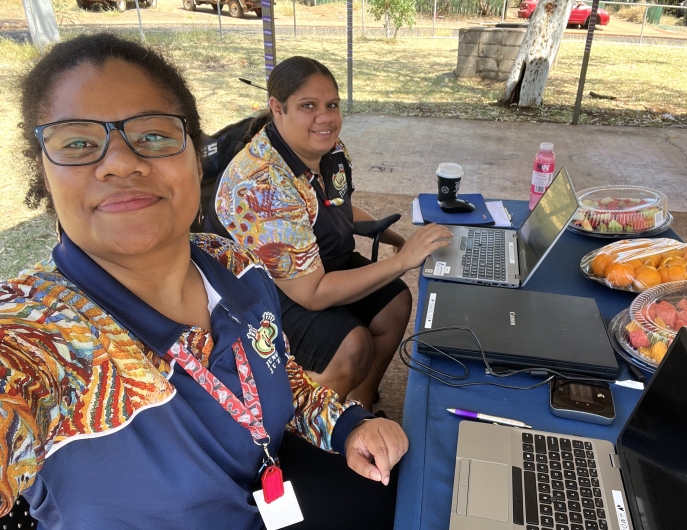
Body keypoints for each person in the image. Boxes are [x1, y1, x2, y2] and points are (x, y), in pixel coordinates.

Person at [0, 32, 407, 529]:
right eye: (79, 143)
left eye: (152, 135)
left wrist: (345, 424)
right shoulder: (38, 337)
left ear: (194, 155)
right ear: (44, 172)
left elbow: (279, 372)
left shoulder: (231, 264)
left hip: (266, 492)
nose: (122, 162)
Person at [207, 57, 452, 410]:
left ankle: (358, 403)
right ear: (277, 108)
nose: (326, 117)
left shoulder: (330, 150)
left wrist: (398, 239)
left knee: (395, 304)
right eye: (309, 106)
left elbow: (336, 204)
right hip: (260, 292)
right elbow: (312, 293)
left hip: (314, 263)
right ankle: (313, 426)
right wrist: (403, 260)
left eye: (332, 105)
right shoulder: (261, 182)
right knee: (352, 346)